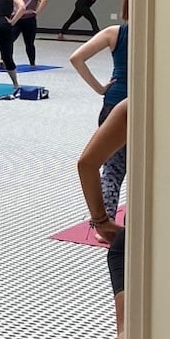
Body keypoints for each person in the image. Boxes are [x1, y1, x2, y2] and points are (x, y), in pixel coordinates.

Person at [76, 98, 130, 339]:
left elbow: (86, 163)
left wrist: (99, 219)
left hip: (139, 235)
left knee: (130, 331)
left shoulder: (136, 105)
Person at [71, 12, 129, 219]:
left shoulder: (114, 33)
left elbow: (76, 58)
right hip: (146, 105)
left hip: (114, 104)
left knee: (112, 168)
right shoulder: (160, 34)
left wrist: (100, 88)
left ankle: (106, 219)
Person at [13, 0, 49, 66]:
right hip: (29, 19)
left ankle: (4, 60)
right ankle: (32, 63)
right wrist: (37, 12)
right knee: (29, 43)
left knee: (9, 40)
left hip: (16, 18)